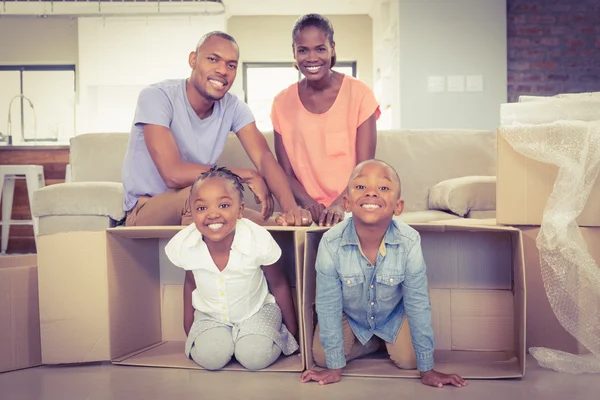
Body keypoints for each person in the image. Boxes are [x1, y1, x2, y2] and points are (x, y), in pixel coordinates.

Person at [300, 160, 468, 388]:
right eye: (361, 187)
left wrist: (427, 369)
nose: (371, 192)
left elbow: (417, 302)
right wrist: (334, 368)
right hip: (350, 315)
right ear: (347, 203)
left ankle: (383, 338)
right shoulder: (331, 242)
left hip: (393, 315)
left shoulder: (409, 241)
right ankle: (373, 342)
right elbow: (328, 303)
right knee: (323, 357)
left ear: (398, 207)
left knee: (410, 360)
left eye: (383, 188)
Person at [122, 31, 312, 227]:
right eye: (213, 59)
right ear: (193, 60)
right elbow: (172, 174)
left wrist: (291, 210)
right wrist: (247, 175)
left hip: (202, 204)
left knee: (274, 226)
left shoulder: (234, 107)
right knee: (207, 195)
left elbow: (264, 157)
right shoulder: (157, 97)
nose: (222, 70)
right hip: (146, 210)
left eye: (231, 65)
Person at [164, 166, 299, 371]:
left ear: (240, 210)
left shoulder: (257, 240)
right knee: (211, 357)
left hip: (256, 312)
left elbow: (278, 284)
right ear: (191, 212)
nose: (212, 214)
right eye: (201, 208)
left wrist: (293, 330)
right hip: (211, 316)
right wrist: (189, 328)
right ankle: (229, 342)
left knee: (254, 357)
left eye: (224, 205)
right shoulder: (186, 244)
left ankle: (247, 340)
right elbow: (191, 284)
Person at [271, 14, 379, 227]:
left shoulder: (360, 94)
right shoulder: (281, 103)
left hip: (353, 203)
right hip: (306, 208)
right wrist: (309, 204)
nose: (311, 58)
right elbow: (286, 173)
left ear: (332, 48)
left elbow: (364, 167)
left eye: (320, 48)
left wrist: (340, 204)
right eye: (303, 50)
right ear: (294, 51)